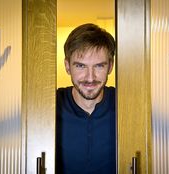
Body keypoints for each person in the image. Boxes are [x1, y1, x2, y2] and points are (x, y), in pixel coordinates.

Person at [56, 23, 116, 174]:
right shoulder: (49, 104)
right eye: (81, 66)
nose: (90, 78)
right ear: (67, 66)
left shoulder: (127, 102)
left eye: (99, 66)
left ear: (110, 66)